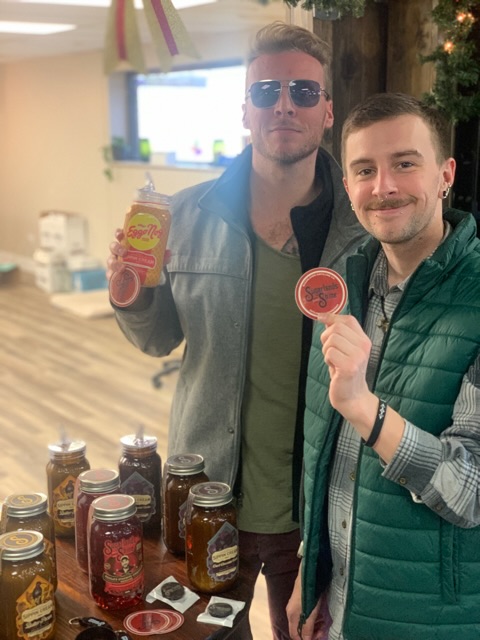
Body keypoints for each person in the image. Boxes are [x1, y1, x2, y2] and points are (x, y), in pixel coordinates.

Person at [107, 21, 367, 639]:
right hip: (207, 495)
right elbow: (155, 340)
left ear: (328, 111)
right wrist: (129, 290)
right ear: (245, 110)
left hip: (319, 505)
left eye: (304, 91)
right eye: (266, 91)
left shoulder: (362, 228)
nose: (284, 105)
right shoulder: (186, 214)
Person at [286, 92, 480, 640]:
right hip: (343, 608)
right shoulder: (340, 290)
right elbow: (326, 459)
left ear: (445, 175)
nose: (383, 186)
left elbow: (471, 489)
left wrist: (364, 409)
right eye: (365, 170)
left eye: (405, 163)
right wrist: (311, 572)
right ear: (348, 188)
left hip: (432, 622)